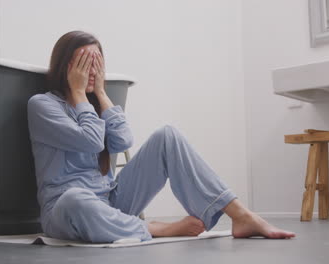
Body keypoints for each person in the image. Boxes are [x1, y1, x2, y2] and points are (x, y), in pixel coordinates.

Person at [27, 31, 295, 243]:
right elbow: (91, 141)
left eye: (96, 62)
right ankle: (156, 228)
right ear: (65, 66)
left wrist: (102, 94)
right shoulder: (42, 105)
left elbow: (123, 140)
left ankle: (241, 215)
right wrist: (78, 93)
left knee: (167, 135)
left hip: (112, 202)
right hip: (65, 212)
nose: (91, 70)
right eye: (84, 63)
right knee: (76, 199)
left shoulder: (95, 105)